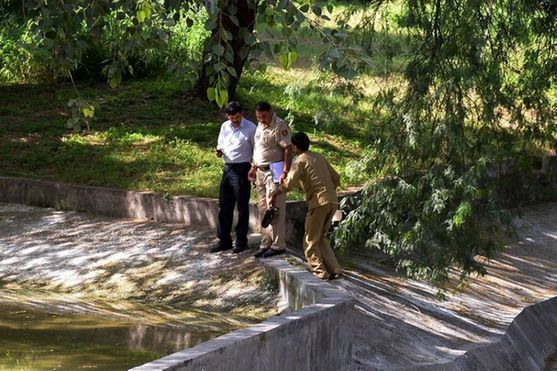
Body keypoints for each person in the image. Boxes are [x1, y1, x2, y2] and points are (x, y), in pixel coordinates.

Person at [269, 132, 343, 280]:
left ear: (295, 146)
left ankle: (320, 272)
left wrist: (275, 193)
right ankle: (335, 269)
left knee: (310, 239)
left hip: (318, 203)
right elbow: (336, 178)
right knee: (320, 237)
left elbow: (289, 184)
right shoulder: (319, 157)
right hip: (332, 201)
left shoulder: (300, 161)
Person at [211, 101, 257, 254]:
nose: (235, 121)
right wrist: (219, 151)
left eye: (237, 117)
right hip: (228, 168)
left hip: (243, 168)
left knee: (242, 207)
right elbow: (221, 144)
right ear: (227, 116)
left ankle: (241, 241)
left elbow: (257, 150)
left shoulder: (251, 128)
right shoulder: (225, 126)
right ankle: (224, 240)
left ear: (241, 113)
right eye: (232, 118)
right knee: (224, 205)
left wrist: (254, 169)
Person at [248, 101, 292, 258]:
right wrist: (253, 167)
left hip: (275, 170)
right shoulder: (260, 126)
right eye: (258, 117)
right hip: (260, 171)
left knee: (274, 207)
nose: (261, 120)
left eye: (264, 116)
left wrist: (285, 171)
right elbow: (259, 148)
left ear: (270, 112)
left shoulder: (280, 126)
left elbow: (288, 148)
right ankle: (265, 242)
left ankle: (278, 244)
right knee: (262, 209)